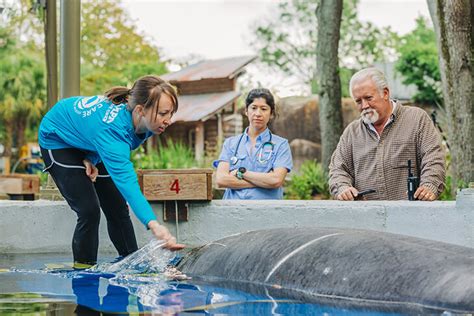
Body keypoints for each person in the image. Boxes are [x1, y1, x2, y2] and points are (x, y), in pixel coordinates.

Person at [38, 75, 184, 267]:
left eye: (171, 113)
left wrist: (91, 158)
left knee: (117, 208)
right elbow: (128, 183)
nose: (168, 120)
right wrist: (154, 225)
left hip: (91, 140)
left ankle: (133, 265)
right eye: (163, 113)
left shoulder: (145, 123)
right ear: (140, 110)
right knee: (89, 210)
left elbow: (96, 135)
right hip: (58, 138)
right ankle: (84, 270)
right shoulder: (114, 132)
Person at [329, 67, 445, 201]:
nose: (364, 105)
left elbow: (433, 158)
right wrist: (343, 188)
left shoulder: (416, 119)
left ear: (385, 93)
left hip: (411, 216)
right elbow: (338, 169)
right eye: (358, 101)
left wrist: (429, 186)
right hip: (367, 218)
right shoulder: (352, 132)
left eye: (368, 98)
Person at [214, 88, 293, 199]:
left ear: (271, 113)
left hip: (266, 212)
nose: (258, 113)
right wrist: (264, 182)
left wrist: (241, 173)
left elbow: (276, 180)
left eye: (264, 109)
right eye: (254, 108)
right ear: (246, 111)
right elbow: (221, 180)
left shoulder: (281, 145)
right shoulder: (230, 144)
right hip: (232, 211)